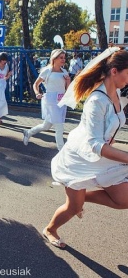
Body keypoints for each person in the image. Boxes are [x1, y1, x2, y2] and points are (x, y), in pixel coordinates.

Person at [43, 47, 128, 249]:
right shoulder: (96, 101)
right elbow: (95, 145)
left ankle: (83, 199)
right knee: (72, 208)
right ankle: (50, 229)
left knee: (124, 199)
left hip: (100, 155)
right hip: (80, 159)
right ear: (114, 71)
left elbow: (108, 129)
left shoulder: (116, 92)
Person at [23, 49, 71, 151]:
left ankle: (29, 132)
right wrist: (37, 93)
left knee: (46, 126)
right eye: (61, 57)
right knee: (59, 127)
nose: (63, 60)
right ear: (54, 58)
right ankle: (62, 152)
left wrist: (68, 81)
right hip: (50, 100)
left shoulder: (64, 71)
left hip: (61, 100)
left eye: (64, 58)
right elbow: (36, 84)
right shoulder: (47, 71)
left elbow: (67, 89)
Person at [0, 52, 12, 124]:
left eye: (5, 60)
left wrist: (9, 75)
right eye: (2, 60)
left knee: (0, 101)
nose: (4, 61)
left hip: (2, 85)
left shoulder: (6, 66)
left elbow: (5, 77)